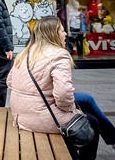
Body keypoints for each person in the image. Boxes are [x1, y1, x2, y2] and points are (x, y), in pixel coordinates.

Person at [7, 16, 110, 159]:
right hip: (38, 117)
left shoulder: (25, 53)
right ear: (53, 34)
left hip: (21, 113)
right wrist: (72, 110)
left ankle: (112, 137)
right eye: (62, 30)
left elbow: (10, 82)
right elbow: (62, 95)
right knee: (91, 122)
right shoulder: (59, 55)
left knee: (86, 100)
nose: (66, 34)